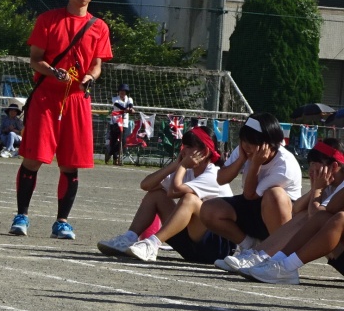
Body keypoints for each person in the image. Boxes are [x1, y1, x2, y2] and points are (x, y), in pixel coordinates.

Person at [9, 0, 112, 240]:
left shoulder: (99, 26)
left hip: (77, 99)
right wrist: (53, 71)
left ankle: (62, 222)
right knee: (33, 158)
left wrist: (91, 76)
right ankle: (22, 216)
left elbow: (98, 64)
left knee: (71, 163)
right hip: (46, 97)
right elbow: (35, 59)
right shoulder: (48, 20)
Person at [95, 126, 233, 263]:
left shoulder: (214, 174)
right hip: (193, 246)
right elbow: (146, 185)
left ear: (205, 151)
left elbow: (174, 191)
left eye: (189, 146)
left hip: (217, 248)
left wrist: (182, 166)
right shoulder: (189, 171)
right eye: (183, 145)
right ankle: (129, 238)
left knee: (189, 199)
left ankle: (153, 244)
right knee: (156, 194)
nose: (183, 150)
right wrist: (174, 165)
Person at [220, 138, 344, 283]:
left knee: (327, 217)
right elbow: (297, 210)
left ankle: (281, 264)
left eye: (315, 164)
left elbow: (316, 218)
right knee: (305, 214)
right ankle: (267, 257)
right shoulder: (329, 184)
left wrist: (317, 189)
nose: (311, 170)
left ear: (334, 166)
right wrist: (314, 190)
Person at [199, 113, 302, 262]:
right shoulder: (245, 149)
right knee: (209, 209)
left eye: (252, 142)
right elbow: (221, 178)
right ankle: (251, 248)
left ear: (268, 143)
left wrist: (255, 164)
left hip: (279, 214)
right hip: (255, 207)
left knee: (274, 194)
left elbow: (249, 194)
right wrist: (241, 159)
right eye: (244, 141)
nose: (246, 146)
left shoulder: (285, 165)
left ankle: (277, 257)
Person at [106, 83, 133, 165]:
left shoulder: (129, 99)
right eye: (121, 91)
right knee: (113, 140)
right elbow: (118, 105)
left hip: (124, 122)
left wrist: (130, 109)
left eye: (124, 91)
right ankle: (115, 157)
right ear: (118, 92)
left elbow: (130, 105)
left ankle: (111, 153)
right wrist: (125, 109)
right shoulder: (115, 99)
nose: (122, 93)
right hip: (115, 122)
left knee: (123, 141)